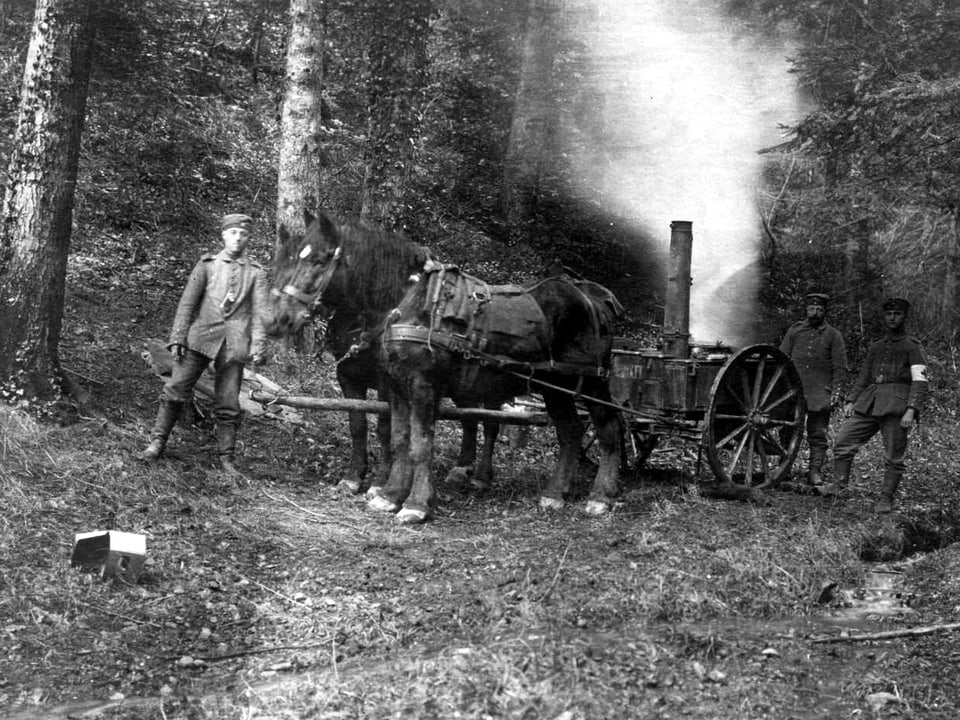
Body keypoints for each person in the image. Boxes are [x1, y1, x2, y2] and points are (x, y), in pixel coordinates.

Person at [141, 213, 270, 476]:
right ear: (223, 235)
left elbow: (260, 314)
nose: (238, 238)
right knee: (176, 390)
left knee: (229, 403)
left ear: (248, 239)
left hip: (234, 346)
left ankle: (227, 460)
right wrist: (177, 337)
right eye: (233, 233)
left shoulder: (256, 273)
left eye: (243, 234)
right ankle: (157, 443)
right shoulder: (207, 266)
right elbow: (187, 304)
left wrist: (258, 346)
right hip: (199, 339)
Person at [826, 298, 929, 512]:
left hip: (897, 405)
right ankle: (839, 487)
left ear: (904, 316)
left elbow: (920, 381)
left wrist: (912, 409)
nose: (892, 317)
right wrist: (851, 400)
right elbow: (864, 376)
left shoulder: (912, 347)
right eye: (889, 314)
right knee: (844, 441)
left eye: (897, 314)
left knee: (894, 454)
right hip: (870, 402)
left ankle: (886, 498)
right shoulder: (877, 346)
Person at [779, 293, 847, 487]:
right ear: (806, 310)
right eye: (811, 309)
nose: (814, 313)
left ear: (824, 311)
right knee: (787, 430)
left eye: (818, 309)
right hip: (794, 391)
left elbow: (840, 366)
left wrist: (837, 392)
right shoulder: (795, 330)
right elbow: (782, 358)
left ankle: (814, 471)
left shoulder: (833, 335)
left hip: (820, 392)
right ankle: (784, 467)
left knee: (817, 434)